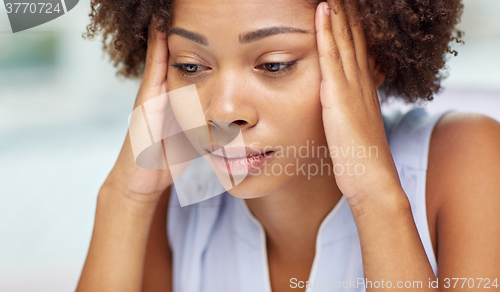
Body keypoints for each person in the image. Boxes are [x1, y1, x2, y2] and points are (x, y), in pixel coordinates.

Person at [76, 0, 500, 291]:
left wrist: (374, 195)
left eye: (274, 64)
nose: (223, 111)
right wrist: (124, 199)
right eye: (190, 66)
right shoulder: (168, 200)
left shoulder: (467, 161)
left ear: (373, 58)